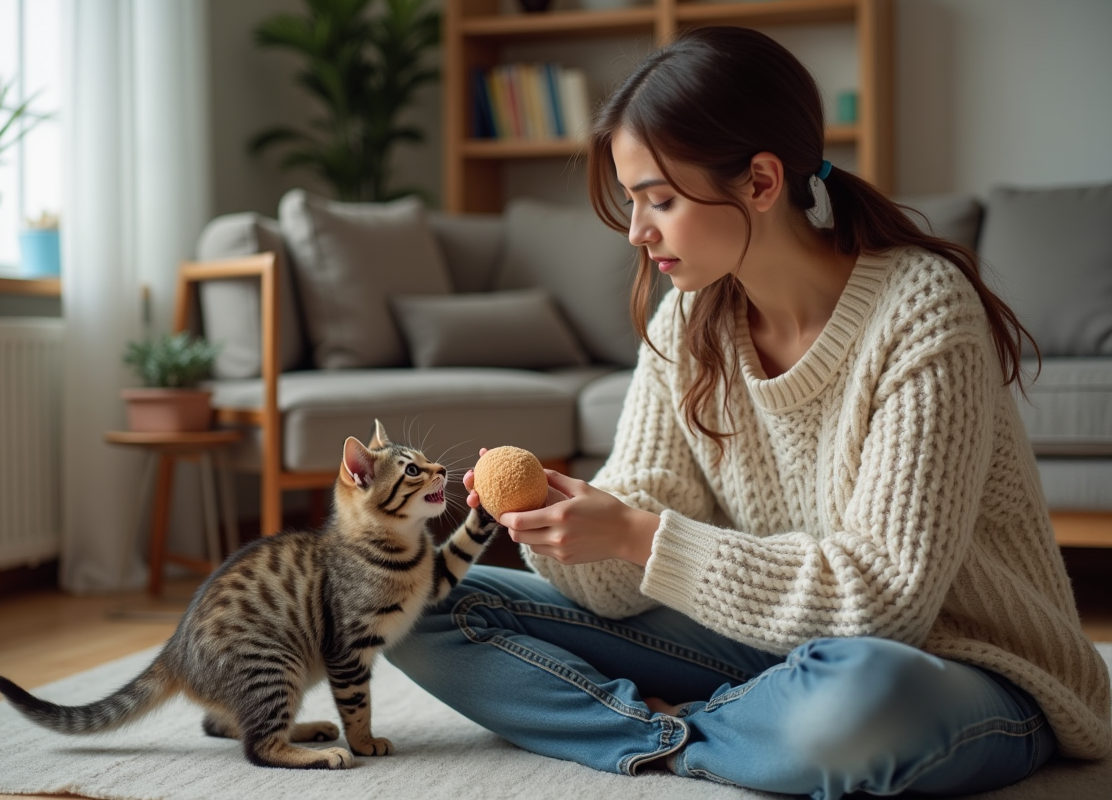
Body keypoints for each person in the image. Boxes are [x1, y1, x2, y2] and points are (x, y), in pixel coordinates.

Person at [387, 26, 1111, 798]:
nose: (637, 233)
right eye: (634, 203)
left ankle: (724, 725)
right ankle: (688, 735)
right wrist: (577, 530)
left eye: (659, 200)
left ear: (762, 182)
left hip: (962, 669)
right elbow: (623, 587)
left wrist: (639, 535)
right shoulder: (686, 321)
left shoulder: (921, 310)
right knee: (405, 599)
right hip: (766, 648)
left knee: (857, 701)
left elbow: (883, 604)